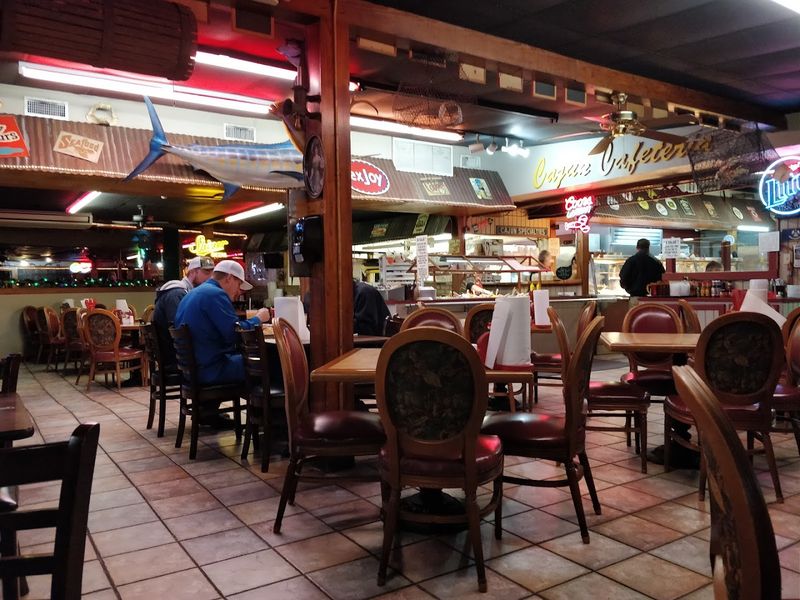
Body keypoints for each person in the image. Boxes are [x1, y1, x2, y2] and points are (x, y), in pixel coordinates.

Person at [175, 260, 270, 389]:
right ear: (229, 278)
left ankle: (211, 408)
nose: (239, 292)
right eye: (239, 284)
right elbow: (235, 333)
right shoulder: (215, 294)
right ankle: (264, 408)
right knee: (268, 363)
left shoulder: (193, 293)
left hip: (190, 370)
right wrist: (258, 319)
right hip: (210, 370)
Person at [152, 256, 215, 369]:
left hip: (178, 354)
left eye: (212, 273)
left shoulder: (186, 293)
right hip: (175, 358)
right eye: (206, 272)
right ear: (192, 272)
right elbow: (180, 329)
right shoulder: (176, 293)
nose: (210, 277)